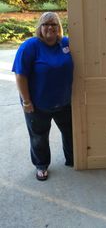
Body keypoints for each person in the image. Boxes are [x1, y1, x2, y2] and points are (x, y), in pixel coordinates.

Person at [12, 12, 74, 181]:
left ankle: (73, 160)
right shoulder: (30, 46)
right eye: (46, 24)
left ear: (59, 27)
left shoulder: (66, 43)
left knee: (70, 133)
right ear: (39, 27)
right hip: (37, 105)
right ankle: (41, 165)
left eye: (54, 24)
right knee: (39, 137)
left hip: (65, 102)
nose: (50, 27)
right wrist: (26, 101)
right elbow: (20, 75)